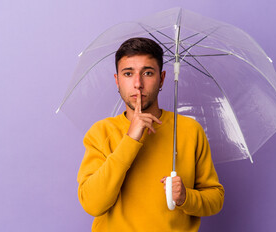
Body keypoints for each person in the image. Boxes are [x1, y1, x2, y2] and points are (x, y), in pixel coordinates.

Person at [77, 37, 224, 231]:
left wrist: (186, 197)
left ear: (162, 78)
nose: (138, 84)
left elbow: (215, 198)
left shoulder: (190, 130)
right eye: (128, 74)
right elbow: (93, 204)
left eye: (147, 73)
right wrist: (130, 139)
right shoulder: (100, 132)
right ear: (117, 80)